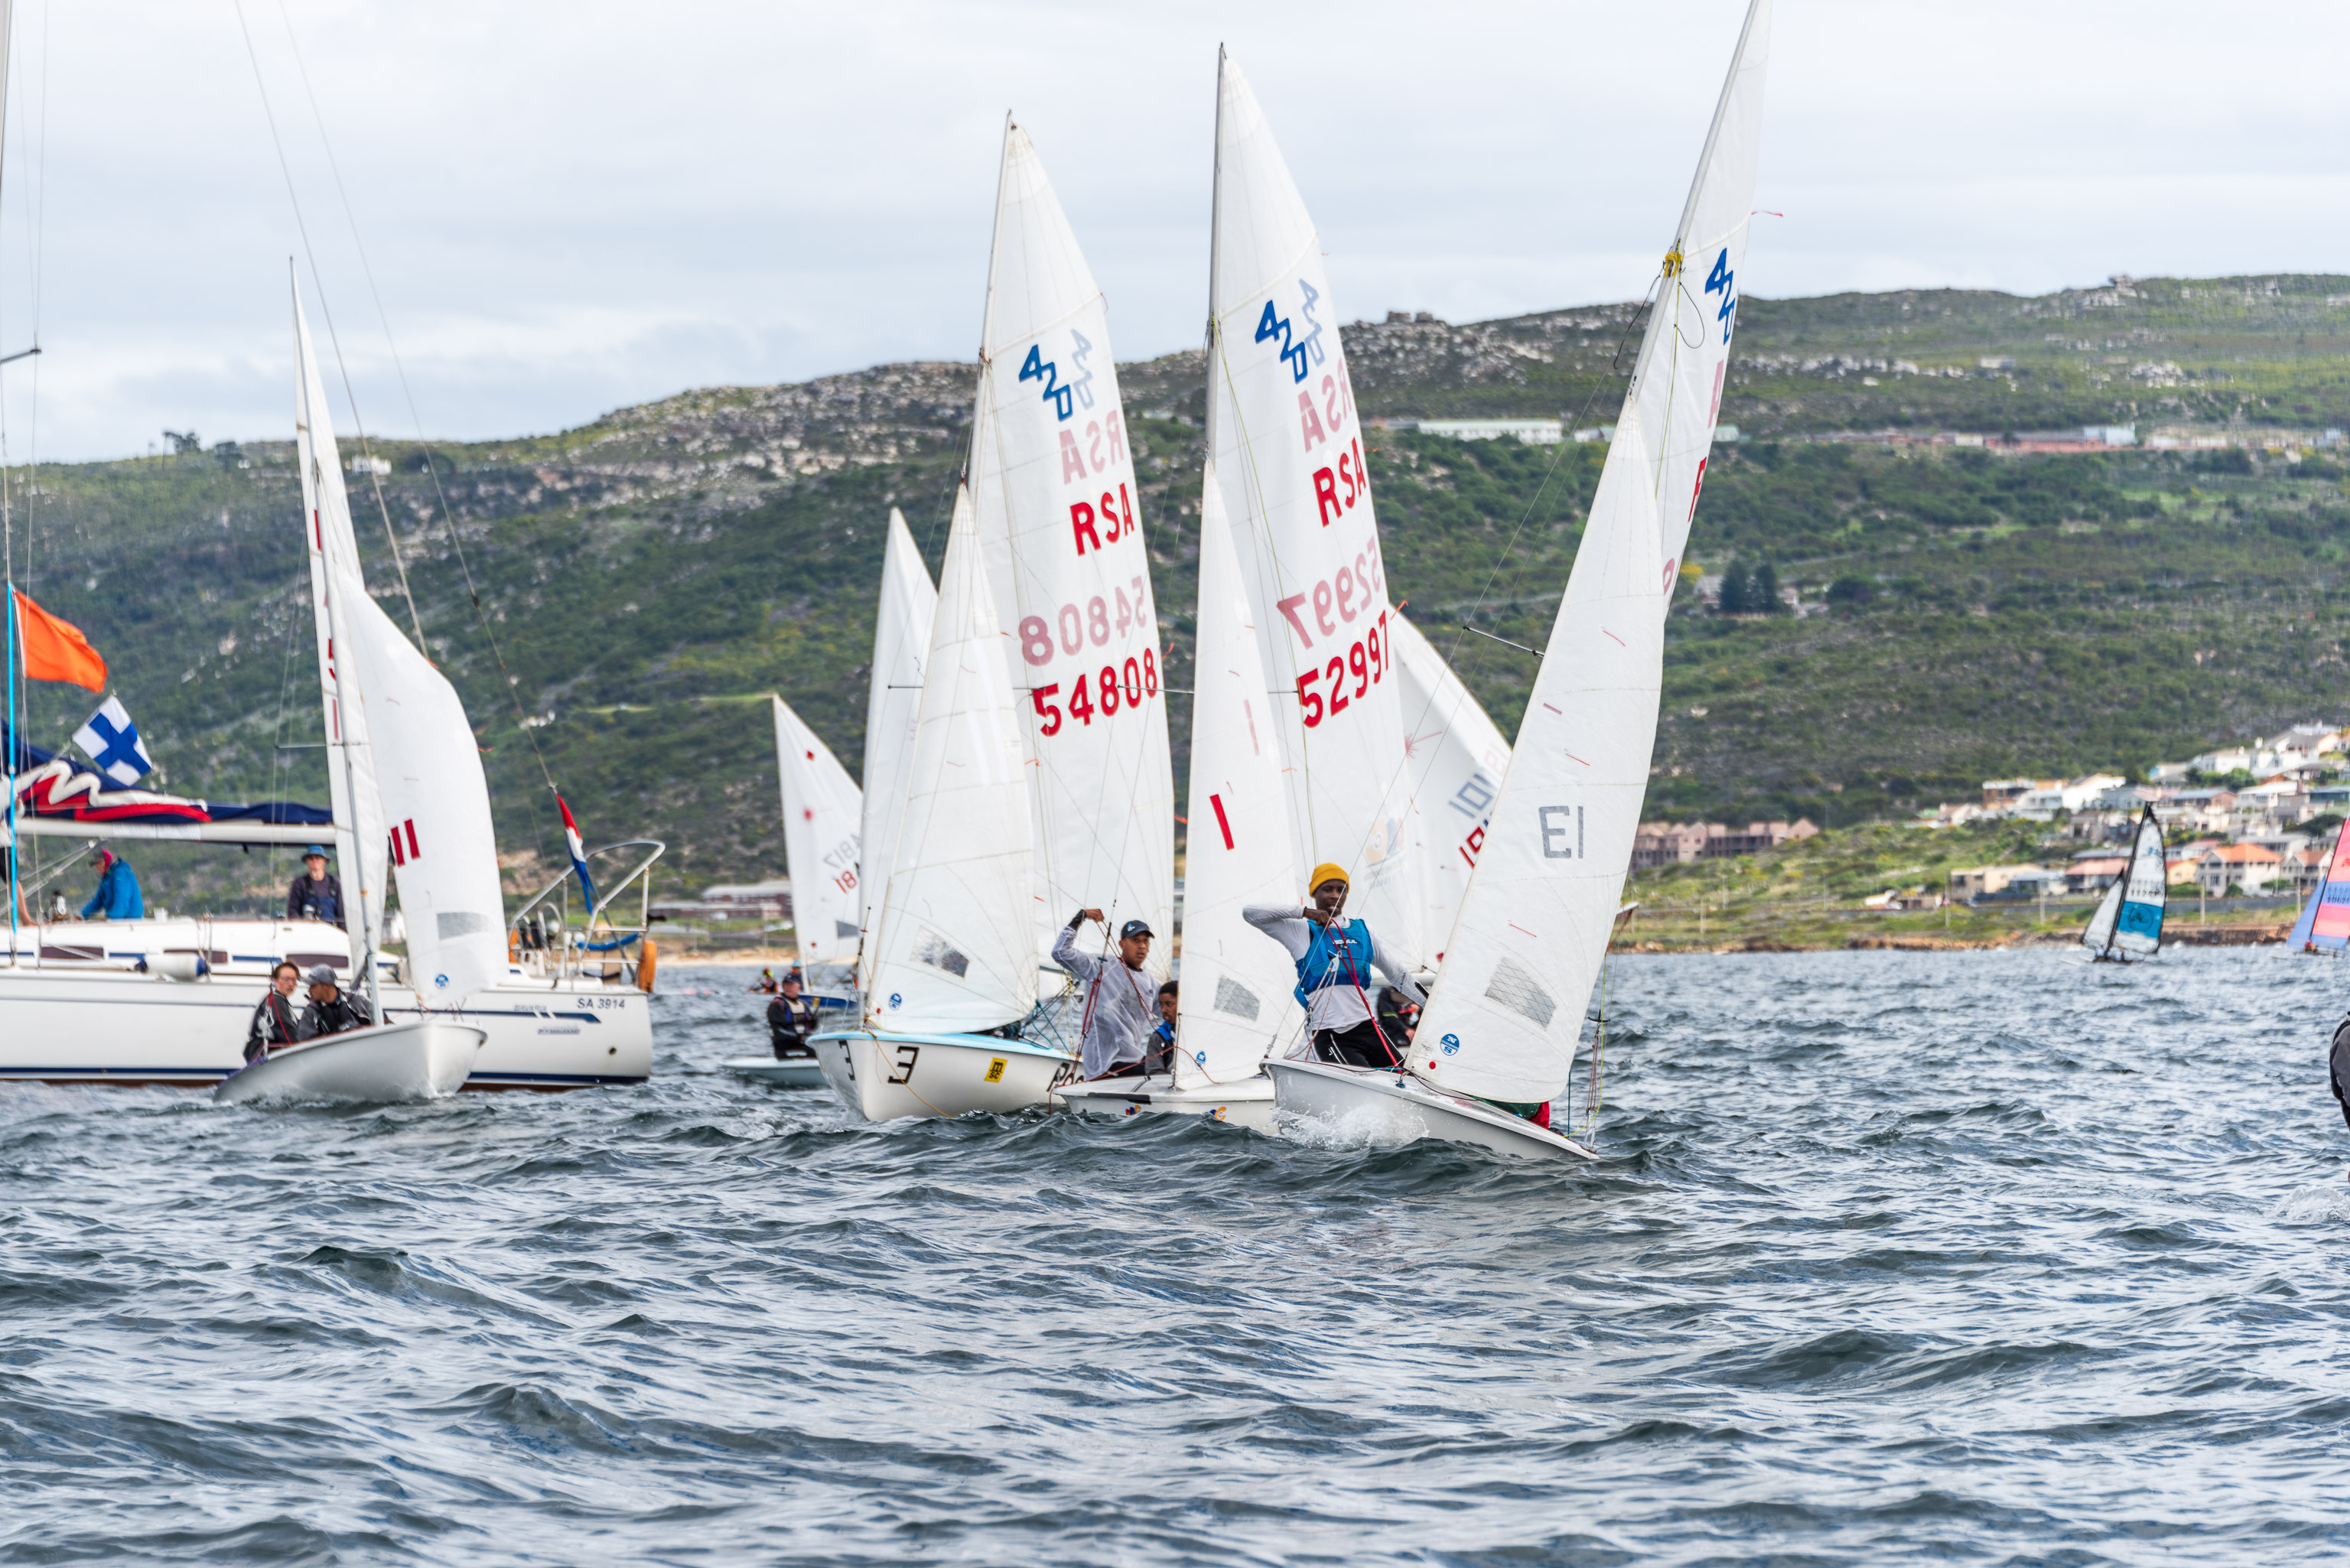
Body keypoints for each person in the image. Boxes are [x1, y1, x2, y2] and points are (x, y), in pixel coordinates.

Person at [1244, 863, 1424, 1070]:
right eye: (1327, 889)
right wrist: (1305, 912)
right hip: (1332, 1035)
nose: (1335, 895)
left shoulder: (1364, 931)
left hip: (1370, 1028)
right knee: (1362, 1082)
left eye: (1341, 890)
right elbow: (1250, 913)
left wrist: (1430, 1006)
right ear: (1315, 892)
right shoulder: (1300, 931)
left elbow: (1399, 976)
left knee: (1405, 1080)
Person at [1050, 909, 1159, 1079]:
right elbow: (1060, 952)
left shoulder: (1150, 982)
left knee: (1170, 1066)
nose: (1142, 946)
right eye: (1135, 940)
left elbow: (1173, 1011)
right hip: (1104, 1066)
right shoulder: (1100, 966)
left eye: (1145, 941)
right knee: (1158, 1073)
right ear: (1122, 944)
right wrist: (1081, 917)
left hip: (1133, 1060)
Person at [244, 961, 311, 1062]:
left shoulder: (281, 1001)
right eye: (286, 979)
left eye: (294, 980)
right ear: (274, 980)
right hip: (266, 1057)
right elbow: (283, 1028)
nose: (291, 984)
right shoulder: (275, 1000)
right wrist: (299, 1048)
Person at [298, 964, 373, 1037]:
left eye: (313, 986)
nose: (309, 990)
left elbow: (378, 1024)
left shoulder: (355, 1001)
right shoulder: (310, 1013)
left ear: (327, 985)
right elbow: (304, 1042)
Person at [285, 847, 346, 928]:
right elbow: (292, 911)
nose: (314, 860)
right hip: (306, 931)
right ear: (306, 861)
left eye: (317, 857)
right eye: (311, 858)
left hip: (330, 932)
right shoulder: (299, 883)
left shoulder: (335, 883)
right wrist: (301, 925)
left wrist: (342, 932)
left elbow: (342, 914)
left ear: (324, 861)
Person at [80, 849, 143, 921]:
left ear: (107, 861)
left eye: (100, 863)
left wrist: (113, 919)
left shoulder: (120, 873)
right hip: (117, 921)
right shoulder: (106, 879)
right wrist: (81, 915)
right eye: (96, 864)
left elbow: (122, 900)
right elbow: (97, 902)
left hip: (130, 922)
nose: (98, 867)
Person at [767, 975, 819, 1062]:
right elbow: (777, 1031)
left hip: (802, 1045)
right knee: (815, 1053)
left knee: (822, 1051)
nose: (788, 987)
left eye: (791, 985)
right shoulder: (777, 1005)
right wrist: (797, 1037)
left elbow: (811, 1028)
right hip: (784, 1049)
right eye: (786, 984)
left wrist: (814, 1021)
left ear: (799, 987)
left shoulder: (803, 1005)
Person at [1375, 985, 1421, 1050]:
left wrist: (1418, 1008)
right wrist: (1406, 1029)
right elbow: (1389, 1016)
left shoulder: (1413, 993)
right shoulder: (1386, 992)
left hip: (1407, 1029)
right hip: (1390, 1031)